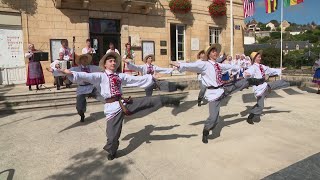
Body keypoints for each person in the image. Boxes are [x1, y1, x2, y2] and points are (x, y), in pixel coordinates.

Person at [60, 52, 185, 160]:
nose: (113, 63)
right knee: (112, 136)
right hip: (112, 108)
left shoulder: (120, 76)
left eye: (115, 61)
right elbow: (86, 76)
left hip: (124, 103)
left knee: (148, 101)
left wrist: (151, 77)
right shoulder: (100, 76)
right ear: (105, 64)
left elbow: (135, 80)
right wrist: (69, 72)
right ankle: (112, 151)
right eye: (111, 61)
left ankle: (169, 100)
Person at [171, 44, 263, 144]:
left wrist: (240, 67)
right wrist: (180, 65)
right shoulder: (204, 64)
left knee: (239, 83)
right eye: (213, 51)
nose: (215, 53)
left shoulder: (218, 65)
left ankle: (254, 81)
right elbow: (193, 66)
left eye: (216, 51)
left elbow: (229, 66)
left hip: (223, 89)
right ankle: (206, 131)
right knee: (214, 118)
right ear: (209, 54)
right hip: (213, 94)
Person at [244, 50, 290, 124]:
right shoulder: (253, 67)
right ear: (255, 58)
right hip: (259, 89)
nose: (260, 58)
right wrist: (247, 74)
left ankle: (289, 83)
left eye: (260, 57)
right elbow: (248, 72)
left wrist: (279, 69)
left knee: (278, 83)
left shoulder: (262, 66)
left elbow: (270, 70)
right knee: (260, 106)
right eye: (259, 57)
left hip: (265, 85)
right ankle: (250, 116)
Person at [69, 54, 101, 122]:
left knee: (105, 96)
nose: (85, 60)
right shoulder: (76, 69)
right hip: (82, 89)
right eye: (83, 59)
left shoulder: (92, 68)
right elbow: (67, 71)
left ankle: (116, 108)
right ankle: (82, 114)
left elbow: (101, 69)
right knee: (79, 106)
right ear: (80, 61)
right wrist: (56, 70)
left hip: (92, 87)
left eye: (86, 59)